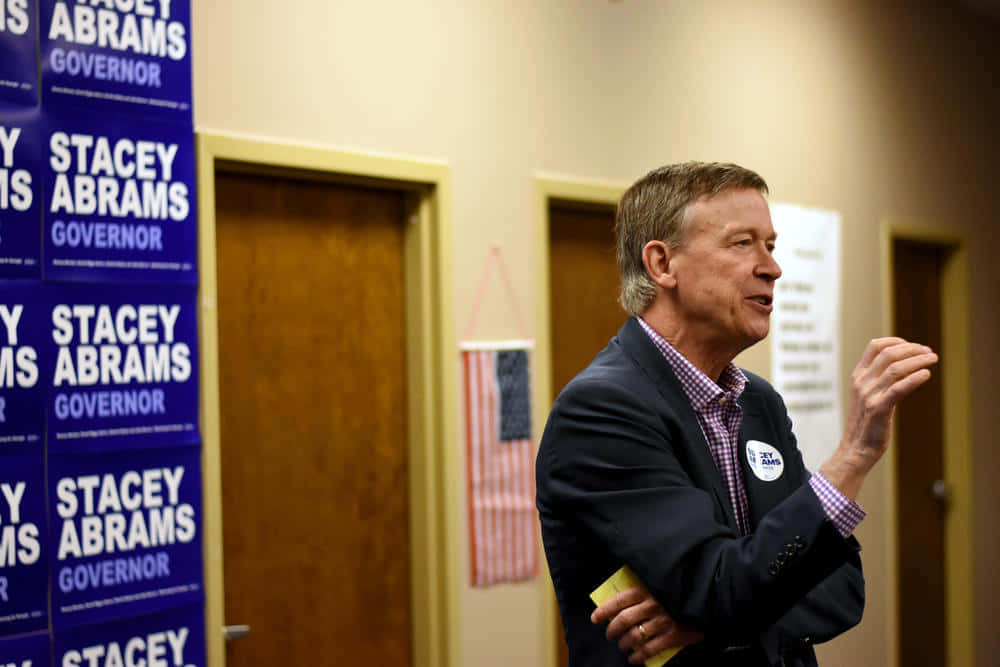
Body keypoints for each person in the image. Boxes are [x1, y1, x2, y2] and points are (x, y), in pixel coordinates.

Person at [535, 162, 938, 666]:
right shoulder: (602, 410)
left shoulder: (758, 401)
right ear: (662, 264)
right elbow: (721, 588)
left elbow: (842, 590)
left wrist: (710, 619)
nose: (772, 268)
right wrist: (853, 456)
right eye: (742, 243)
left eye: (770, 245)